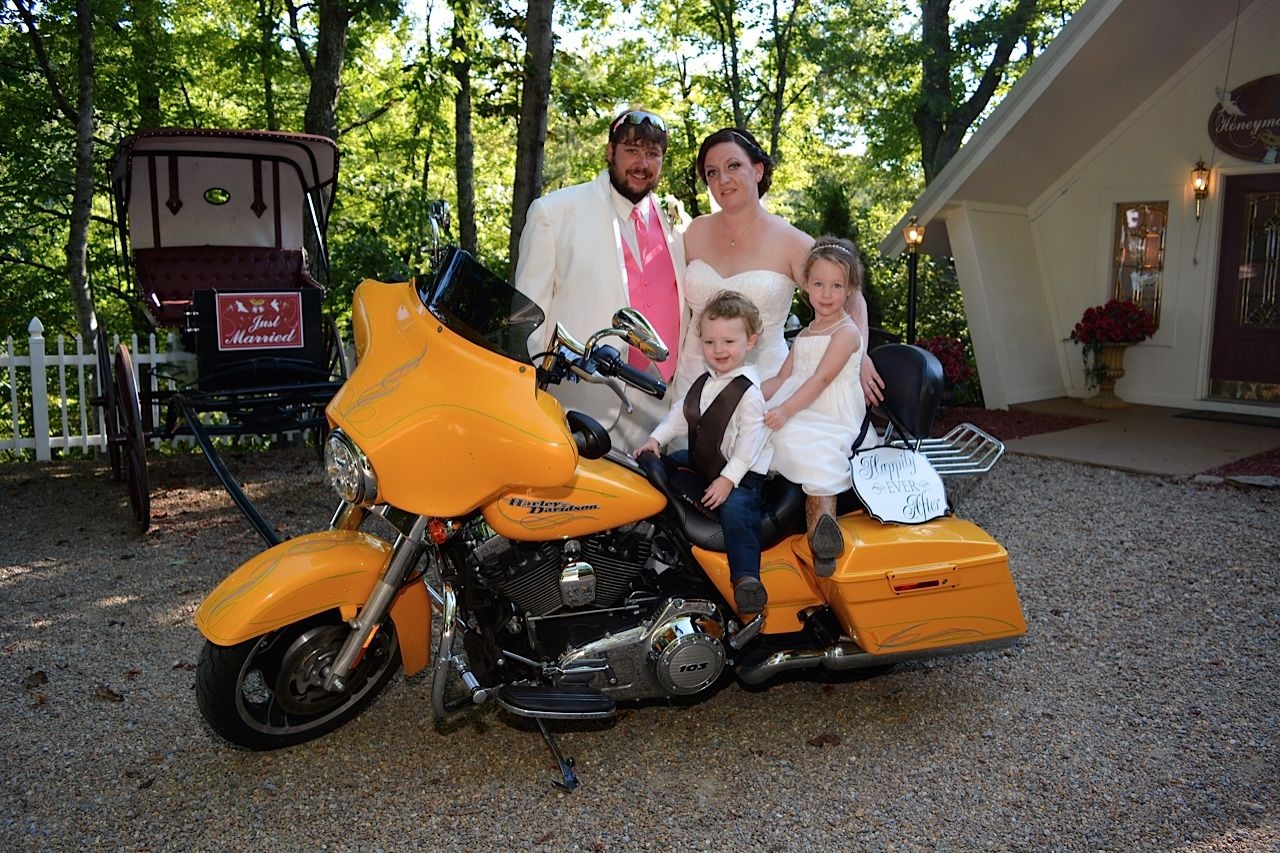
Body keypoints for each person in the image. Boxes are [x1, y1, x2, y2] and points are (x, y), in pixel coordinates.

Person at [514, 108, 687, 452]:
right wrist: (526, 398)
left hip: (660, 416)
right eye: (631, 150)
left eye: (653, 154)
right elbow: (527, 319)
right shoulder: (555, 212)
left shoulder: (678, 226)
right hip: (580, 407)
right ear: (610, 151)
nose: (642, 164)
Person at [676, 127, 885, 408]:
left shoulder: (791, 242)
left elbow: (853, 297)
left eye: (733, 165)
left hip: (765, 390)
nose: (722, 179)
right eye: (712, 172)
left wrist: (857, 355)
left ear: (758, 170)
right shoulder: (695, 231)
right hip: (693, 382)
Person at [635, 291, 772, 618]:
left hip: (742, 473)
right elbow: (681, 416)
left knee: (737, 511)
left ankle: (746, 578)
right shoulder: (705, 381)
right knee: (666, 466)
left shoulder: (750, 393)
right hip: (707, 462)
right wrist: (655, 440)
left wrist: (727, 480)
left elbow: (748, 447)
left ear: (750, 342)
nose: (719, 350)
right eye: (710, 342)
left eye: (729, 341)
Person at [762, 237, 876, 577]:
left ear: (850, 289)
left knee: (812, 447)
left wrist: (786, 411)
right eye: (819, 284)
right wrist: (746, 394)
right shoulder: (805, 334)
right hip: (800, 402)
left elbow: (822, 378)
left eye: (837, 286)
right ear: (806, 286)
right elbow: (782, 378)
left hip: (832, 413)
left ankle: (822, 531)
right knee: (760, 431)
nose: (827, 294)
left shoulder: (847, 333)